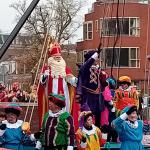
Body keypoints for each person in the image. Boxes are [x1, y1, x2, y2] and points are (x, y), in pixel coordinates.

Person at [38, 42, 77, 127]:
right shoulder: (47, 68)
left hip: (64, 93)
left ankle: (66, 125)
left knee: (65, 109)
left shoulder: (65, 68)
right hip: (51, 94)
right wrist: (45, 75)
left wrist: (75, 80)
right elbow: (42, 82)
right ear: (52, 57)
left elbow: (69, 78)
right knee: (52, 110)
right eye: (56, 56)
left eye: (59, 56)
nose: (58, 58)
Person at [76, 50, 108, 128]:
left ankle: (97, 133)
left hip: (98, 97)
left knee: (98, 116)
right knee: (88, 115)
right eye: (96, 58)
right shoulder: (84, 68)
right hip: (88, 96)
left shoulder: (98, 69)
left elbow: (102, 84)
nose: (97, 59)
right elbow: (87, 65)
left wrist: (104, 81)